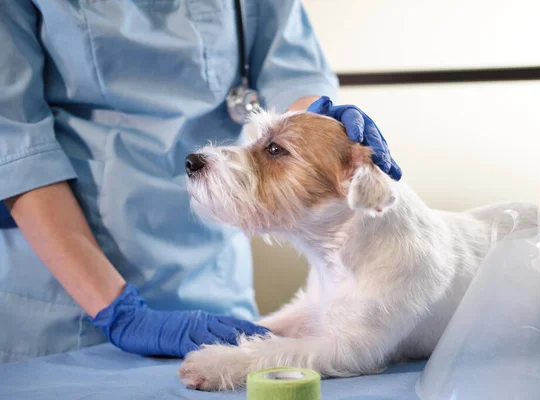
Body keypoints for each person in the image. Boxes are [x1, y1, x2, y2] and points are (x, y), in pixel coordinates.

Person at [0, 0, 401, 364]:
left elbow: (293, 79)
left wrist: (322, 128)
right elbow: (16, 148)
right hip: (68, 302)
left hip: (212, 281)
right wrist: (119, 314)